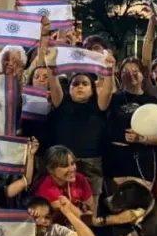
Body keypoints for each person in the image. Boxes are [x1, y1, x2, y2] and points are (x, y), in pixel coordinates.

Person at [45, 48, 112, 198]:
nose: (80, 86)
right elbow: (54, 84)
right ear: (68, 89)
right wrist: (51, 65)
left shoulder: (98, 105)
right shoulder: (61, 103)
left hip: (91, 162)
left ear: (92, 89)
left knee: (91, 207)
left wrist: (109, 70)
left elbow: (107, 92)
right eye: (75, 84)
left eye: (85, 84)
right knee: (62, 203)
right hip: (63, 163)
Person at [105, 57, 157, 187]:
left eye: (135, 70)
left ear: (143, 75)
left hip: (141, 158)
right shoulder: (112, 99)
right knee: (116, 198)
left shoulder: (152, 101)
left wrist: (141, 138)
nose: (130, 74)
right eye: (125, 71)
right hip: (115, 159)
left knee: (140, 198)